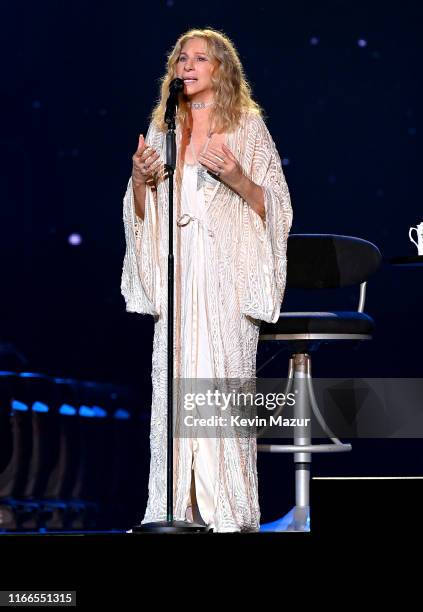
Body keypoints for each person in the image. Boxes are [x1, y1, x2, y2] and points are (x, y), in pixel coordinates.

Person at [121, 27, 293, 533]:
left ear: (221, 70)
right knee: (173, 387)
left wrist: (238, 177)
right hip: (180, 277)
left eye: (199, 58)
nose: (187, 65)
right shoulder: (162, 131)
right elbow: (138, 216)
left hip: (225, 279)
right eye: (180, 58)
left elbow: (278, 211)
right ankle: (176, 509)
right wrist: (138, 181)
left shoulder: (247, 128)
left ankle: (228, 514)